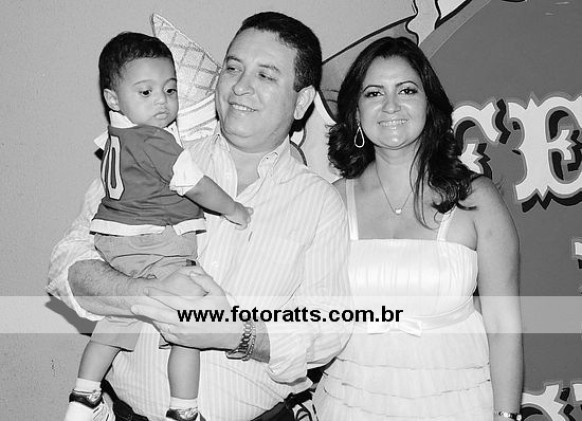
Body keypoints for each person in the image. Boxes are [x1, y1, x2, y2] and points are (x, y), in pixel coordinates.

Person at [48, 12, 351, 421]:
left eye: (265, 75)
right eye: (233, 68)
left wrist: (236, 332)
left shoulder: (320, 203)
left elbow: (329, 328)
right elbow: (66, 265)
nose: (240, 86)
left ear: (301, 101)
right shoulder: (149, 156)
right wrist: (146, 294)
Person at [312, 37, 523, 420]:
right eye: (374, 93)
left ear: (429, 104)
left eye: (407, 90)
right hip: (351, 403)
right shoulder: (332, 201)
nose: (391, 105)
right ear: (356, 112)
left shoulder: (476, 199)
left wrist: (507, 417)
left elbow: (503, 325)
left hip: (458, 405)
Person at [63, 32, 252, 421]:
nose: (162, 102)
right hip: (154, 243)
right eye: (146, 92)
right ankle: (183, 409)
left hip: (116, 244)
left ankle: (84, 394)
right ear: (113, 99)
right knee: (191, 321)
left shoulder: (116, 138)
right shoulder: (156, 141)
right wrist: (234, 208)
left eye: (170, 90)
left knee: (120, 315)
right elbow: (197, 186)